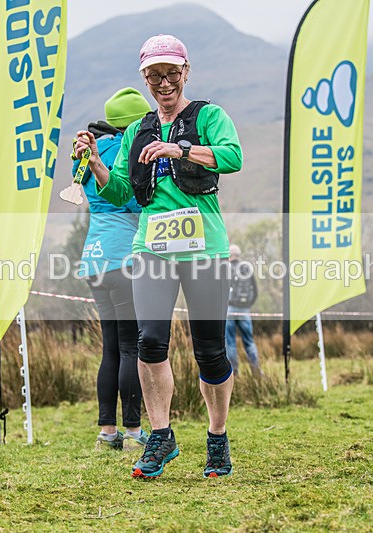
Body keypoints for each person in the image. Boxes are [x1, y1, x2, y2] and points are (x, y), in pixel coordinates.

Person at [75, 34, 243, 478]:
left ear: (186, 72)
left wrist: (179, 148)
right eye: (155, 76)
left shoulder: (208, 116)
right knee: (149, 342)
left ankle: (218, 438)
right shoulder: (136, 131)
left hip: (204, 247)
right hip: (152, 249)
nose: (163, 82)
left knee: (209, 351)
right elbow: (123, 191)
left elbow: (232, 157)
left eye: (171, 73)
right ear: (145, 79)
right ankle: (160, 436)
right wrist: (94, 162)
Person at [73, 87, 152, 451]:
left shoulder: (88, 151)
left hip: (94, 256)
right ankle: (134, 433)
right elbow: (137, 202)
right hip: (124, 257)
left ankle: (107, 432)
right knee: (132, 347)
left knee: (110, 349)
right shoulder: (131, 151)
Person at [225, 244, 262, 377]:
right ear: (239, 255)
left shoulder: (226, 268)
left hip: (229, 309)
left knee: (230, 342)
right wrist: (248, 305)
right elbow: (256, 290)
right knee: (249, 341)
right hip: (244, 310)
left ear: (229, 255)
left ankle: (234, 373)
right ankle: (256, 371)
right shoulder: (246, 268)